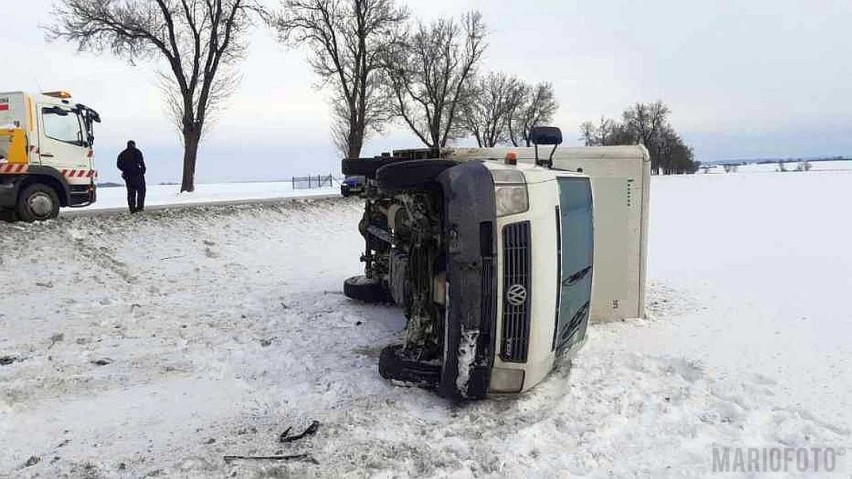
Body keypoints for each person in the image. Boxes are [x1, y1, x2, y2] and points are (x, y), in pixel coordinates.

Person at [116, 140, 147, 213]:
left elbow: (118, 165)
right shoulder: (137, 152)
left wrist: (125, 170)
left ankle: (132, 209)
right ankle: (140, 207)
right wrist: (142, 170)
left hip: (128, 176)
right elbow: (142, 163)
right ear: (134, 145)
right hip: (138, 175)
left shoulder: (123, 154)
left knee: (131, 193)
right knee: (141, 191)